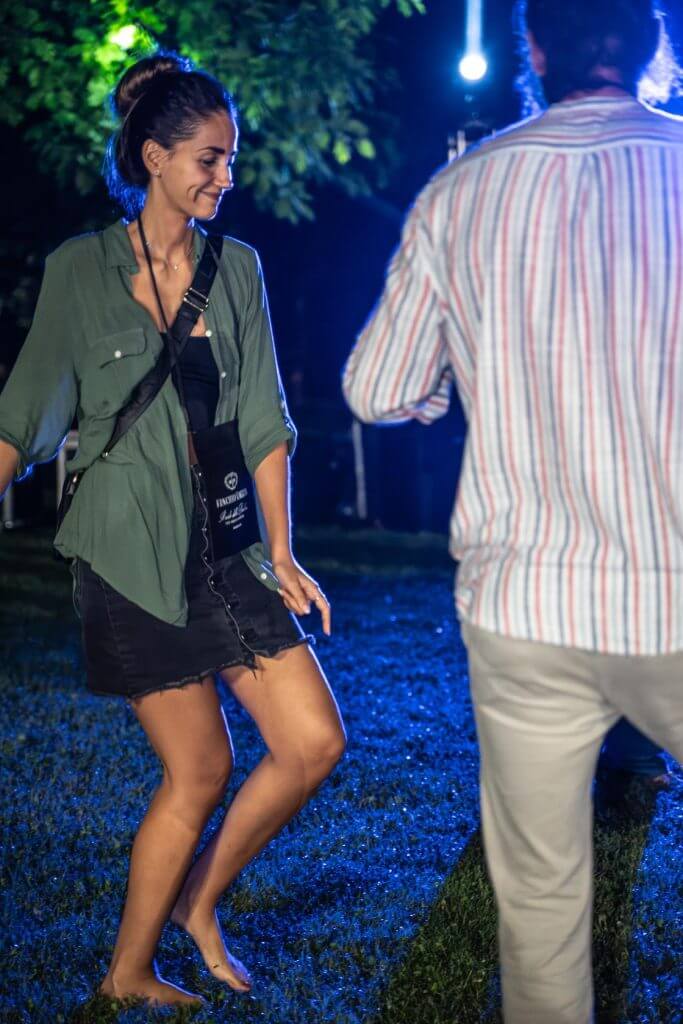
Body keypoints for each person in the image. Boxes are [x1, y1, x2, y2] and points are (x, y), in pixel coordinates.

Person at [342, 2, 682, 1021]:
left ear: (532, 51)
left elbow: (376, 388)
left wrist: (447, 381)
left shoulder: (461, 190)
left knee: (538, 904)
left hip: (525, 601)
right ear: (655, 47)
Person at [0, 53, 346, 1009]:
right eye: (209, 158)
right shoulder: (80, 269)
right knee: (201, 769)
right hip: (127, 550)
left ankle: (198, 901)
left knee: (313, 741)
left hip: (226, 547)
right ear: (154, 157)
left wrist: (281, 550)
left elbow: (265, 420)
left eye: (230, 158)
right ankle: (127, 971)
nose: (226, 176)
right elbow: (25, 414)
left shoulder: (238, 271)